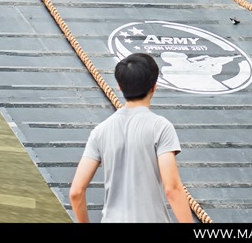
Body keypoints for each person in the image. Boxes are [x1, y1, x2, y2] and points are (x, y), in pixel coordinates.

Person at [69, 52, 194, 223]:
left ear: (119, 86)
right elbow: (172, 189)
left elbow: (76, 192)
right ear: (154, 86)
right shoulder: (161, 127)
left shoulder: (100, 131)